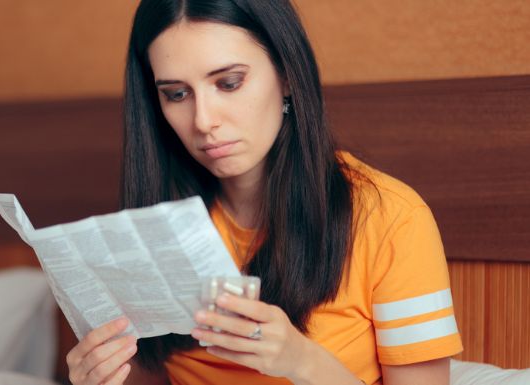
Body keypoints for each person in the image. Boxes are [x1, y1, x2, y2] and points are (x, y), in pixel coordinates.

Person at [65, 0, 463, 384]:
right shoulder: (155, 222)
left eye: (229, 83)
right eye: (177, 94)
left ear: (287, 74)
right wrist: (104, 376)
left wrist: (301, 361)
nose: (204, 121)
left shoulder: (391, 218)